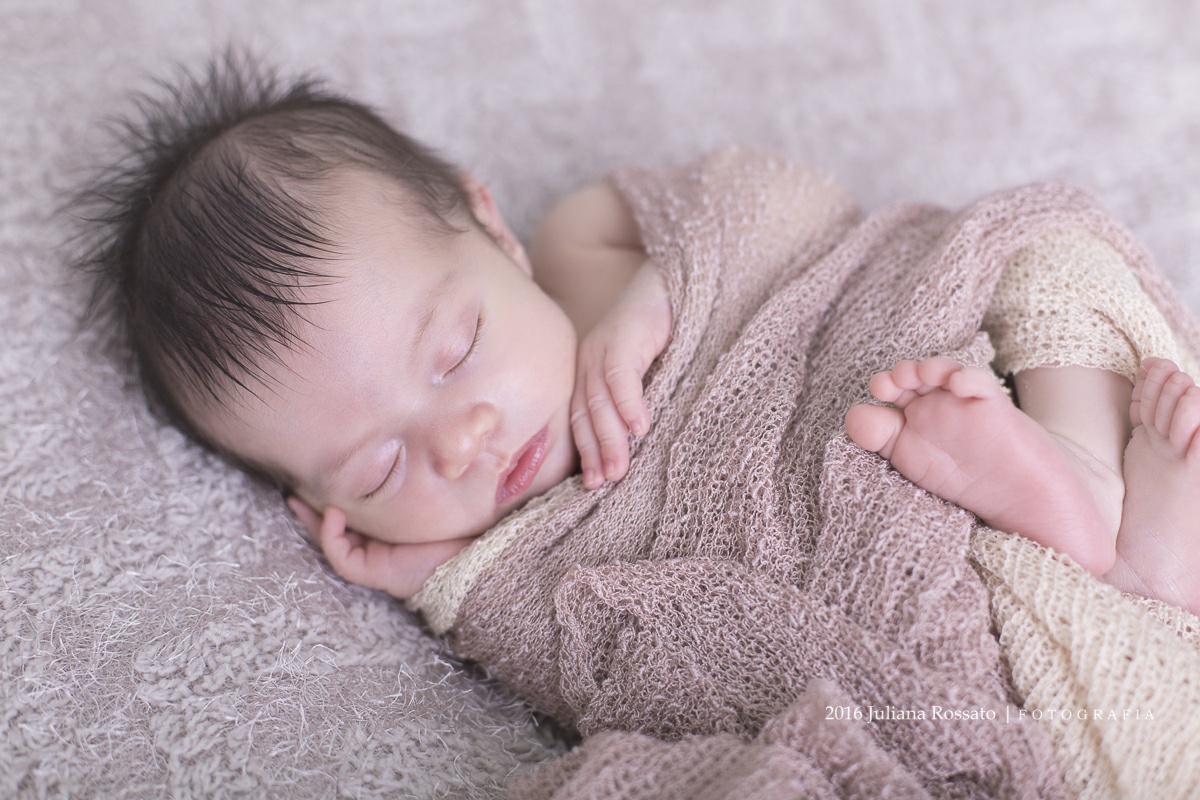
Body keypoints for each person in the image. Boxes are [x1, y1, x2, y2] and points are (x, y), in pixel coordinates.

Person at [78, 55, 1200, 615]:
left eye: (456, 349)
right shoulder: (489, 546)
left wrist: (658, 297)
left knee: (1045, 249)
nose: (462, 438)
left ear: (489, 226)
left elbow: (775, 201)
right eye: (381, 462)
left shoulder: (578, 245)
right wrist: (434, 579)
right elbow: (575, 636)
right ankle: (1120, 562)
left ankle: (1087, 478)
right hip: (847, 518)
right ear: (324, 508)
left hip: (883, 354)